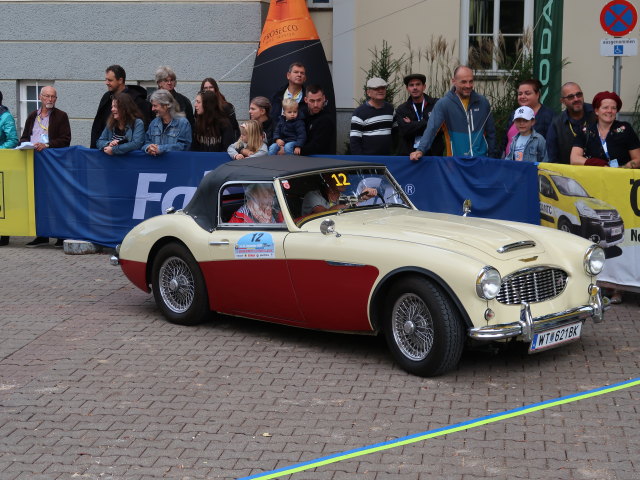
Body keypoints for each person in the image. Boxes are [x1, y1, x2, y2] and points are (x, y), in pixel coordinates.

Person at [19, 86, 71, 248]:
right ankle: (41, 234)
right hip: (34, 161)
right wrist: (25, 145)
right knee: (38, 199)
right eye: (47, 96)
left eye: (53, 97)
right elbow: (24, 136)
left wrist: (47, 145)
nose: (50, 100)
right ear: (40, 97)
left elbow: (65, 139)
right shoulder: (32, 116)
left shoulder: (61, 116)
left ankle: (60, 235)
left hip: (53, 164)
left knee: (55, 199)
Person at [410, 65, 497, 160]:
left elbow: (491, 133)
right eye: (463, 82)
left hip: (481, 161)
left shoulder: (483, 102)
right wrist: (420, 150)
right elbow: (431, 129)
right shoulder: (444, 104)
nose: (468, 86)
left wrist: (492, 158)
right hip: (455, 162)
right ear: (454, 81)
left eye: (471, 81)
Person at [571, 91, 640, 168]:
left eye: (613, 108)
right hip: (592, 178)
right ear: (596, 111)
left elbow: (638, 159)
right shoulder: (585, 130)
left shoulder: (625, 129)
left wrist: (623, 169)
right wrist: (598, 164)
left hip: (620, 177)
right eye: (605, 107)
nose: (610, 111)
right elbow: (574, 159)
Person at [90, 65, 151, 148]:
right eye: (106, 79)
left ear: (120, 80)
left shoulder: (138, 101)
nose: (106, 83)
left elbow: (141, 136)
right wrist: (104, 145)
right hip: (105, 153)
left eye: (110, 80)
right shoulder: (106, 98)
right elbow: (98, 126)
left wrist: (116, 149)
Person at [546, 82, 596, 164]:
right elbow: (553, 159)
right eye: (570, 97)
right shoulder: (556, 124)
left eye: (579, 94)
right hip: (568, 174)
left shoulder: (596, 113)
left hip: (598, 171)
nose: (576, 99)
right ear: (562, 101)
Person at [395, 73, 444, 156]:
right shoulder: (402, 109)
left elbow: (439, 128)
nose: (415, 88)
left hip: (433, 153)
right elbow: (405, 131)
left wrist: (412, 124)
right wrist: (429, 122)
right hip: (410, 154)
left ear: (424, 87)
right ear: (407, 88)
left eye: (418, 84)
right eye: (411, 85)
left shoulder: (436, 104)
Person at [503, 79, 555, 155]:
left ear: (537, 94)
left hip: (534, 165)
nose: (522, 96)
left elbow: (552, 146)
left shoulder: (549, 116)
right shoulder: (514, 113)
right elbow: (505, 141)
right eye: (520, 94)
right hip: (509, 164)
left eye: (527, 93)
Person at [349, 77, 396, 156]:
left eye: (383, 88)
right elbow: (354, 141)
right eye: (376, 88)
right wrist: (360, 161)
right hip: (368, 160)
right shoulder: (359, 112)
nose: (380, 91)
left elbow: (396, 133)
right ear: (368, 92)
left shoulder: (390, 109)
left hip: (387, 158)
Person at [301, 173, 378, 216]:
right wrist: (358, 198)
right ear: (328, 178)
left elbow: (346, 202)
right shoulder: (313, 195)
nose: (344, 181)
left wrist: (362, 197)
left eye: (346, 177)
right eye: (340, 177)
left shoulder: (343, 197)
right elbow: (324, 213)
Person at [142, 89, 192, 155]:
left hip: (175, 164)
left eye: (155, 106)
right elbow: (145, 142)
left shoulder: (183, 123)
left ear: (166, 106)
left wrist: (161, 149)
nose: (152, 109)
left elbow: (184, 146)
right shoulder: (154, 123)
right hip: (156, 164)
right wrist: (149, 148)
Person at [293, 84, 336, 156]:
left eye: (319, 100)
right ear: (306, 100)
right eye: (312, 101)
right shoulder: (301, 115)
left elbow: (317, 146)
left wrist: (293, 151)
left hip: (322, 162)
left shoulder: (326, 120)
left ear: (324, 98)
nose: (316, 105)